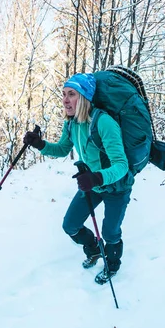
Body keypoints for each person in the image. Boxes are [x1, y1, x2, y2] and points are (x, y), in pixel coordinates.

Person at [23, 73, 133, 285]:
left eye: (71, 94)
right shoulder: (72, 124)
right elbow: (63, 149)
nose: (65, 100)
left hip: (116, 186)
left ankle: (112, 264)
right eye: (63, 94)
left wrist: (97, 177)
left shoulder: (104, 123)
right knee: (70, 225)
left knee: (111, 232)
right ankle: (94, 249)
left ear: (84, 97)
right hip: (92, 183)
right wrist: (39, 144)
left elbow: (121, 165)